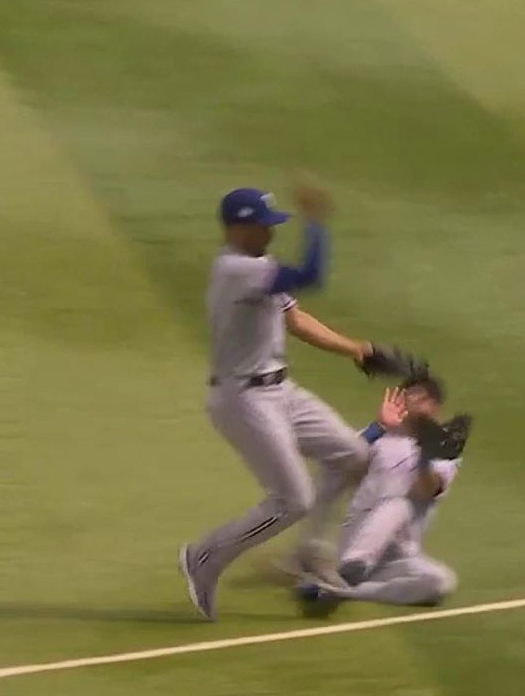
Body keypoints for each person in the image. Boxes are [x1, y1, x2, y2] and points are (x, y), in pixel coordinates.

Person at [178, 181, 419, 621]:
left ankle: (308, 552)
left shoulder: (258, 263)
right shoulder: (236, 270)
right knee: (294, 500)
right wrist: (315, 224)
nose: (271, 234)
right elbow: (311, 274)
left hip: (280, 391)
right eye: (264, 227)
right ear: (237, 229)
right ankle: (203, 557)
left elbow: (295, 317)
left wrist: (357, 348)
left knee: (353, 456)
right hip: (242, 401)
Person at [295, 374, 470, 617]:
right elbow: (337, 464)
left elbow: (426, 490)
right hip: (358, 538)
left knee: (442, 582)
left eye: (423, 399)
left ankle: (336, 589)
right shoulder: (380, 436)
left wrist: (425, 456)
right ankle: (322, 553)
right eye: (410, 396)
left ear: (434, 407)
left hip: (398, 557)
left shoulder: (444, 449)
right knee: (392, 499)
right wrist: (378, 427)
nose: (415, 403)